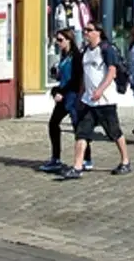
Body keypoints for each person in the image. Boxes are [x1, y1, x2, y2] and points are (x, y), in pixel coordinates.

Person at [58, 23, 131, 179]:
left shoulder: (106, 49)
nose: (86, 33)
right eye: (85, 30)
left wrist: (100, 90)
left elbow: (112, 71)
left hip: (105, 101)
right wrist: (81, 94)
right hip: (88, 101)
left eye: (90, 30)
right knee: (81, 133)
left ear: (98, 32)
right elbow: (86, 75)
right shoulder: (85, 51)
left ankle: (125, 161)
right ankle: (77, 167)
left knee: (114, 132)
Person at [40, 29, 88, 172]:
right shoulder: (64, 55)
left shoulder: (76, 57)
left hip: (72, 96)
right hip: (63, 95)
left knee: (78, 128)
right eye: (57, 40)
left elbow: (76, 79)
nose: (58, 43)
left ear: (69, 40)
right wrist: (56, 88)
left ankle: (86, 159)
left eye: (60, 40)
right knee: (53, 124)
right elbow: (63, 77)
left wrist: (63, 92)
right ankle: (56, 158)